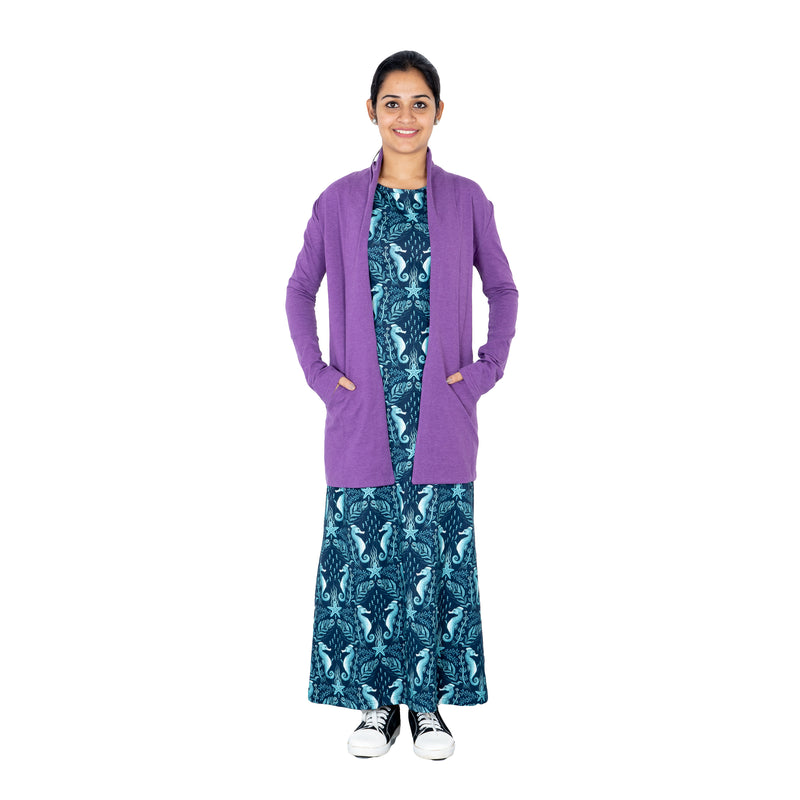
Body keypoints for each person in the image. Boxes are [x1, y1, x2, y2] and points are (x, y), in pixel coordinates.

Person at [285, 50, 518, 760]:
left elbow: (503, 289)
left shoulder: (467, 200)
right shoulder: (337, 202)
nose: (406, 116)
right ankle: (375, 704)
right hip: (362, 418)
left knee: (435, 555)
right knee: (367, 561)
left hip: (443, 416)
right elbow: (298, 290)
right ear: (371, 111)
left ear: (439, 112)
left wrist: (483, 373)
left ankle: (427, 707)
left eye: (420, 103)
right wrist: (321, 377)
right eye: (393, 102)